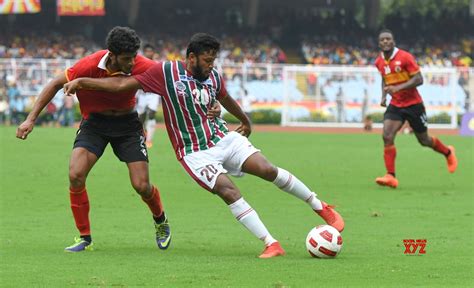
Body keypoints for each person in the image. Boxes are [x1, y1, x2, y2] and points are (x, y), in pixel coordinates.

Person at [64, 33, 345, 259]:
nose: (211, 65)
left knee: (268, 169)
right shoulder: (165, 73)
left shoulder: (213, 75)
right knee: (228, 190)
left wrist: (245, 120)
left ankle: (321, 206)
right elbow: (120, 87)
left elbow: (225, 98)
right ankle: (271, 243)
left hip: (221, 137)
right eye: (207, 60)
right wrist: (81, 81)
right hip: (194, 152)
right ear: (191, 58)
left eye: (213, 60)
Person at [16, 26, 172, 252]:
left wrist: (211, 102)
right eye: (127, 59)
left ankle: (161, 221)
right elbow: (54, 84)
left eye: (133, 57)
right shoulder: (87, 65)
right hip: (94, 126)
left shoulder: (141, 64)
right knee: (75, 174)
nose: (132, 63)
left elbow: (172, 81)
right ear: (112, 55)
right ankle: (84, 238)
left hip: (127, 126)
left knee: (141, 185)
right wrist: (30, 119)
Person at [374, 29, 458, 188]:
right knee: (387, 135)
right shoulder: (379, 62)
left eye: (388, 39)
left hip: (414, 105)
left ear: (393, 41)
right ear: (379, 43)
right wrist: (384, 97)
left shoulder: (405, 57)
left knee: (424, 140)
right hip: (396, 105)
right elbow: (384, 80)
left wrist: (397, 88)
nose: (385, 41)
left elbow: (419, 79)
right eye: (382, 40)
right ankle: (390, 176)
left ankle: (448, 152)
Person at [136, 44, 160, 148]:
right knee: (141, 117)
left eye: (150, 51)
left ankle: (149, 139)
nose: (148, 53)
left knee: (151, 113)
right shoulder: (139, 64)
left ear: (153, 53)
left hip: (153, 93)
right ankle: (143, 132)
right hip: (142, 94)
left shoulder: (157, 64)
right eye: (147, 51)